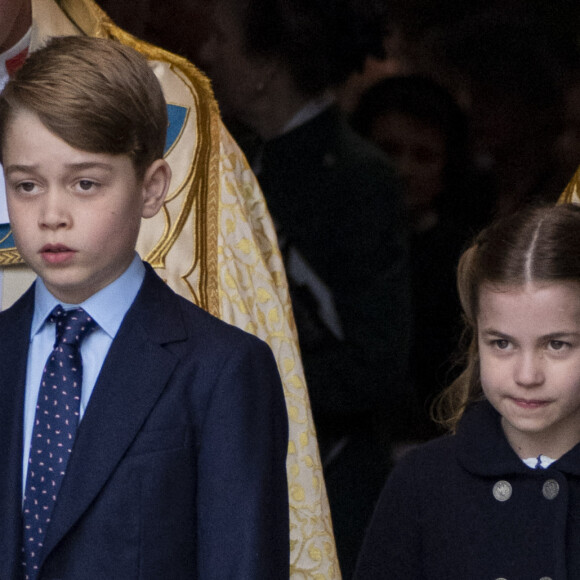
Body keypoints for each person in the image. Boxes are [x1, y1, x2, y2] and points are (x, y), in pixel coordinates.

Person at [0, 1, 338, 576]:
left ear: (153, 188)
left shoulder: (224, 371)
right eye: (27, 185)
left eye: (85, 183)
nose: (52, 213)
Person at [196, 2, 411, 576]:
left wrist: (236, 386)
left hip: (329, 484)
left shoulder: (355, 180)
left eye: (221, 38)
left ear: (267, 67)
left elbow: (377, 361)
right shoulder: (233, 159)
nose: (206, 54)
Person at [354, 202, 580, 579]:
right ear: (476, 338)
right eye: (502, 344)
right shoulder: (421, 483)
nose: (527, 375)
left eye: (557, 345)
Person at [352, 75, 493, 440]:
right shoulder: (339, 244)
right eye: (389, 150)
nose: (404, 171)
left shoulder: (467, 260)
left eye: (424, 156)